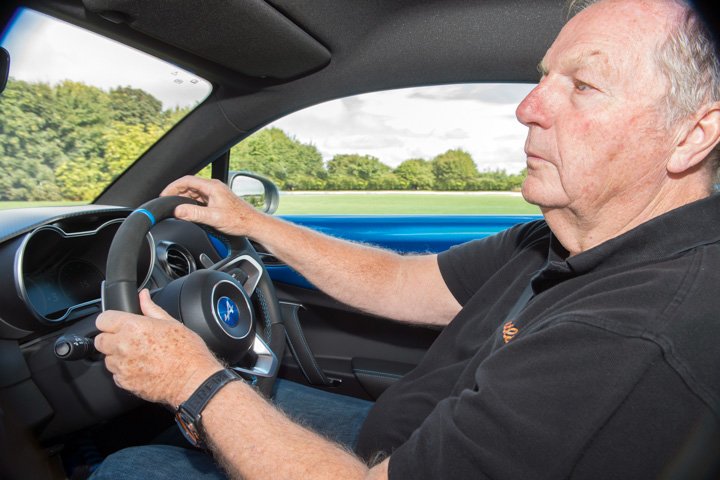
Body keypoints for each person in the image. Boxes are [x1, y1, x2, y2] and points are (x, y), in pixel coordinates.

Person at [91, 0, 720, 478]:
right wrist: (250, 222)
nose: (527, 107)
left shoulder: (631, 334)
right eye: (544, 77)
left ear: (693, 136)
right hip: (406, 435)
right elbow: (400, 282)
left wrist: (194, 382)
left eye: (582, 86)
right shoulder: (561, 239)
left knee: (130, 466)